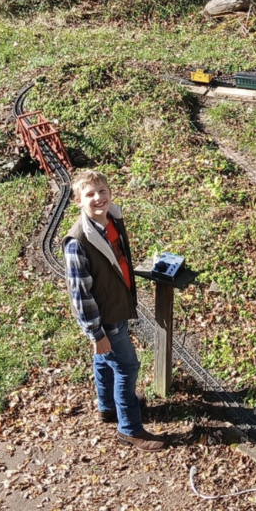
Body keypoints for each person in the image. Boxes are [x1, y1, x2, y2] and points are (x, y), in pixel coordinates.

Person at [63, 170, 164, 452]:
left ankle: (108, 407)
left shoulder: (111, 220)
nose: (98, 198)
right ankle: (129, 429)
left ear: (110, 192)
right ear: (78, 201)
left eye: (102, 191)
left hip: (116, 304)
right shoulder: (78, 241)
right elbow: (80, 295)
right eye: (90, 194)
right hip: (104, 317)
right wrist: (96, 334)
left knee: (105, 359)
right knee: (126, 366)